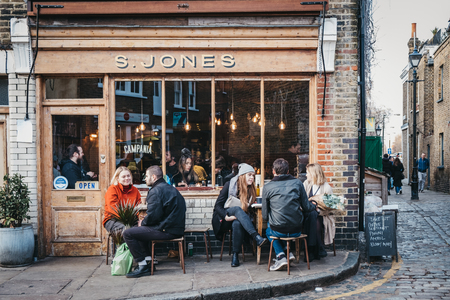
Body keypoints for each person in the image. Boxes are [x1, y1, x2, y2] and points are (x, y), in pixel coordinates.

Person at [123, 166, 186, 278]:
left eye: (146, 176)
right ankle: (149, 263)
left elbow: (153, 216)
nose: (145, 179)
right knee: (140, 232)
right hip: (176, 229)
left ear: (153, 177)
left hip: (166, 230)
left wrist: (142, 222)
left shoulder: (156, 191)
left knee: (128, 234)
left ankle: (142, 266)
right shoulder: (171, 188)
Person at [263, 158, 318, 271]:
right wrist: (314, 204)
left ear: (273, 171)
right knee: (278, 223)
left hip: (278, 230)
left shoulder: (267, 187)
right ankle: (288, 253)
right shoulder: (298, 183)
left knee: (269, 230)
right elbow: (307, 207)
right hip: (296, 230)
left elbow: (264, 215)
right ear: (288, 171)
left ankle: (281, 256)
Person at [212, 163, 267, 267]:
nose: (252, 178)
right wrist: (226, 216)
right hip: (224, 219)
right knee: (237, 208)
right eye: (249, 175)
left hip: (239, 220)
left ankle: (235, 256)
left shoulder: (251, 190)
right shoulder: (229, 185)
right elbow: (218, 206)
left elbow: (249, 211)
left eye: (253, 176)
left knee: (237, 223)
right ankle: (256, 237)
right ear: (242, 176)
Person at [302, 163, 333, 261]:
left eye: (307, 173)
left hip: (321, 215)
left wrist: (318, 210)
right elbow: (301, 201)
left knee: (314, 215)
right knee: (312, 214)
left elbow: (330, 207)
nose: (306, 175)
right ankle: (319, 247)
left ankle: (310, 251)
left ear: (314, 174)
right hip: (305, 213)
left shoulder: (326, 187)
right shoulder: (306, 184)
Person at [103, 166, 142, 233]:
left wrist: (140, 220)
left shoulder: (135, 190)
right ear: (117, 178)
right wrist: (126, 219)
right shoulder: (112, 189)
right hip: (113, 220)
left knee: (142, 229)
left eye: (128, 176)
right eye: (123, 177)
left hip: (131, 220)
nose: (127, 178)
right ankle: (121, 244)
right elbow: (113, 208)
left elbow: (139, 206)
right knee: (127, 230)